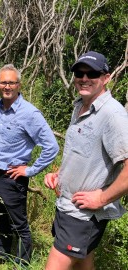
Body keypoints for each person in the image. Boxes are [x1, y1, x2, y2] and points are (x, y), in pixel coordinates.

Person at [44, 51, 128, 270]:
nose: (84, 78)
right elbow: (85, 155)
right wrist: (60, 176)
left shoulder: (112, 115)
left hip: (82, 216)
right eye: (79, 73)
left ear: (106, 77)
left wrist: (102, 198)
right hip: (67, 205)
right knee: (84, 262)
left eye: (92, 73)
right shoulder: (80, 106)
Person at [0, 64, 59, 267]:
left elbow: (51, 147)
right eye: (3, 82)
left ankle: (22, 263)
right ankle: (2, 257)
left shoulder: (30, 114)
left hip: (12, 177)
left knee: (19, 225)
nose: (7, 86)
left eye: (11, 82)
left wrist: (31, 170)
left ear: (19, 85)